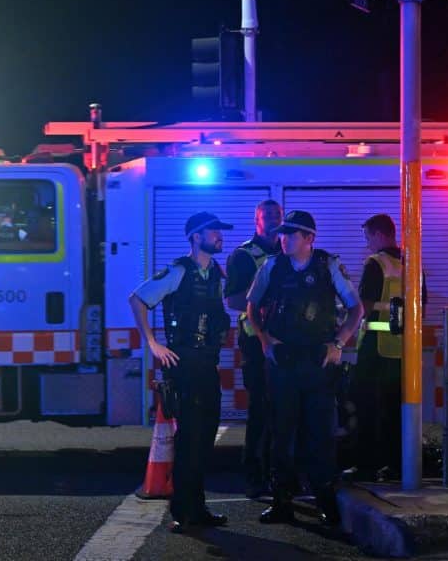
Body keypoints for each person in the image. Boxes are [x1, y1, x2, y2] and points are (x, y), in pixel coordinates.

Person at [246, 210, 363, 526]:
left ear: (309, 238)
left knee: (320, 435)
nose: (283, 239)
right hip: (283, 363)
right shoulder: (273, 266)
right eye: (282, 233)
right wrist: (264, 339)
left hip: (317, 362)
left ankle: (325, 499)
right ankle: (282, 502)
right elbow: (251, 305)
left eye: (291, 234)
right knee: (282, 434)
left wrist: (338, 343)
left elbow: (356, 309)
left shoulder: (328, 265)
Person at [128, 211, 233, 534]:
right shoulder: (178, 271)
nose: (219, 236)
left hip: (207, 365)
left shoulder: (216, 272)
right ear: (196, 236)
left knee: (204, 439)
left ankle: (198, 508)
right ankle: (183, 512)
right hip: (183, 364)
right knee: (188, 440)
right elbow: (138, 299)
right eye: (214, 231)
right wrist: (152, 343)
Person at [224, 199, 282, 499]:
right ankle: (255, 475)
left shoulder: (289, 253)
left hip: (287, 346)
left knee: (284, 412)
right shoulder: (244, 256)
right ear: (256, 220)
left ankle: (280, 475)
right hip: (256, 345)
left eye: (277, 214)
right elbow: (233, 300)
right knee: (260, 410)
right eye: (267, 215)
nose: (273, 219)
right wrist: (262, 301)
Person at [350, 214, 405, 481]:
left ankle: (366, 465)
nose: (367, 244)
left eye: (368, 237)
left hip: (375, 348)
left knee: (366, 407)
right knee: (396, 409)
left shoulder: (375, 264)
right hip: (402, 349)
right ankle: (395, 465)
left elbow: (364, 306)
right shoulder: (412, 263)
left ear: (380, 234)